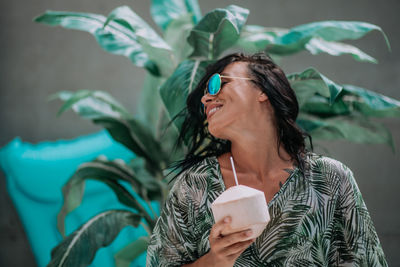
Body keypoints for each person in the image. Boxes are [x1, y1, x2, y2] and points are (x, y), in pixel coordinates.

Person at [146, 53, 387, 266]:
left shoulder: (331, 179)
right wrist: (214, 261)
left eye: (218, 83)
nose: (206, 98)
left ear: (262, 90)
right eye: (205, 92)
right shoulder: (194, 186)